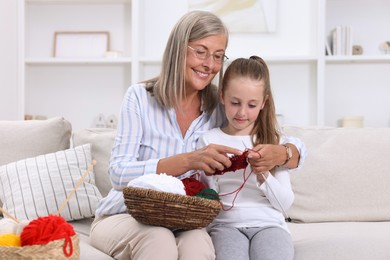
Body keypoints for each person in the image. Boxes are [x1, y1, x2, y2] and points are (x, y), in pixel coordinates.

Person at [90, 11, 305, 260]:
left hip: (186, 218)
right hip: (127, 214)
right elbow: (118, 173)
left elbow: (278, 137)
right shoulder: (139, 98)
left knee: (199, 247)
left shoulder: (222, 104)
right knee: (158, 241)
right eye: (200, 52)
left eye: (217, 56)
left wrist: (284, 152)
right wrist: (189, 160)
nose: (209, 65)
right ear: (178, 49)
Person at [197, 56, 296, 260]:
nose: (242, 112)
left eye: (252, 105)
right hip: (225, 226)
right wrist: (210, 178)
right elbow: (208, 198)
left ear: (263, 103)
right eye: (235, 103)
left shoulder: (274, 143)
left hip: (269, 225)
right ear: (222, 96)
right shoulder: (209, 141)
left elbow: (284, 203)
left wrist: (264, 175)